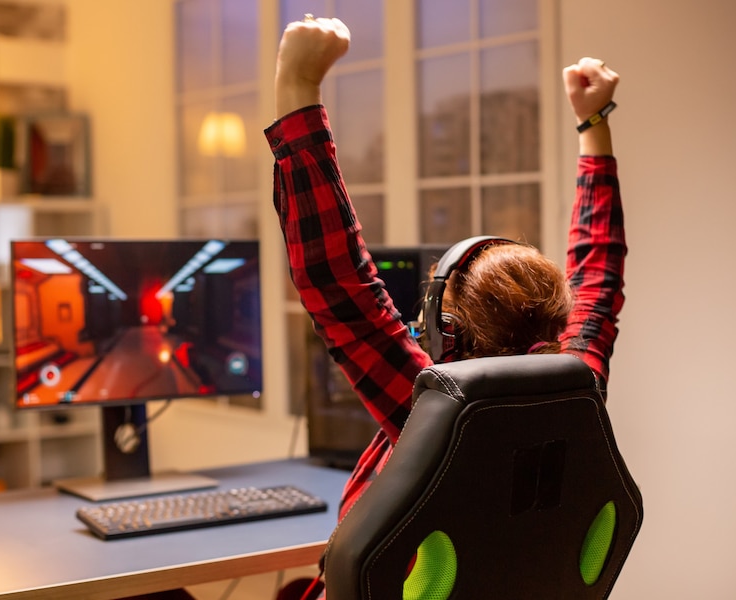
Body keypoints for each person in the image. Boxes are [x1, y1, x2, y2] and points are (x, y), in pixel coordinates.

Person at [264, 16, 624, 599]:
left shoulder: (432, 417)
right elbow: (599, 278)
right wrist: (594, 124)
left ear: (445, 337)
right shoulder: (577, 388)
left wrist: (297, 83)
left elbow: (337, 282)